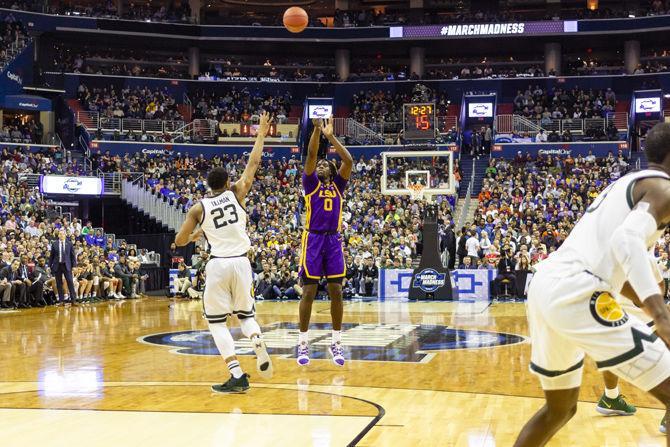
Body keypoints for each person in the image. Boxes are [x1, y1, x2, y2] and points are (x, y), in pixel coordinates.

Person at [514, 122, 670, 446]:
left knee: (560, 410)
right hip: (577, 289)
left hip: (547, 284)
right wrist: (661, 316)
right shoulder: (663, 188)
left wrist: (647, 307)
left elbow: (618, 263)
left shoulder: (627, 182)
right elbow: (625, 241)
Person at [175, 111, 273, 394]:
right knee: (246, 316)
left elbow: (180, 241)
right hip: (242, 263)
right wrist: (262, 132)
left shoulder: (199, 207)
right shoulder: (237, 193)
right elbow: (254, 163)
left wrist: (196, 233)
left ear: (208, 186)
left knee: (216, 323)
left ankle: (237, 374)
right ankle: (255, 338)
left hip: (218, 265)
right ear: (227, 182)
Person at [296, 116, 353, 367]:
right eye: (317, 165)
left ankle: (337, 341)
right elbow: (310, 154)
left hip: (334, 240)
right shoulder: (310, 184)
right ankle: (303, 342)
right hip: (313, 239)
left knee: (336, 291)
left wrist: (331, 137)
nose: (319, 166)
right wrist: (317, 130)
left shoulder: (339, 185)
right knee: (308, 291)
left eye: (323, 164)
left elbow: (348, 160)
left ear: (331, 170)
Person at [48, 229, 77, 304]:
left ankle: (73, 300)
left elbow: (72, 256)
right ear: (58, 235)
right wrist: (49, 265)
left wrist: (74, 266)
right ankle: (61, 301)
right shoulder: (54, 244)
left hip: (67, 265)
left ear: (65, 235)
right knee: (59, 283)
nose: (61, 235)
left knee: (70, 281)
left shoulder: (69, 243)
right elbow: (51, 256)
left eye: (63, 234)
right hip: (57, 265)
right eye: (60, 234)